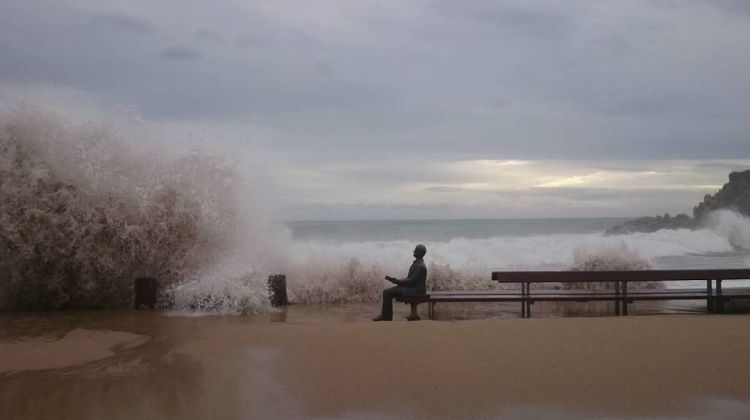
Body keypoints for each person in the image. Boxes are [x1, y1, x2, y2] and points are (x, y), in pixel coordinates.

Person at [373, 244, 427, 321]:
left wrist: (397, 282)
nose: (413, 251)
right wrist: (397, 280)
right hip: (413, 288)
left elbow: (412, 282)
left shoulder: (421, 266)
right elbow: (409, 279)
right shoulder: (417, 264)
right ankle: (386, 316)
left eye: (415, 250)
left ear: (419, 252)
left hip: (416, 290)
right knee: (388, 291)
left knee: (387, 293)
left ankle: (386, 317)